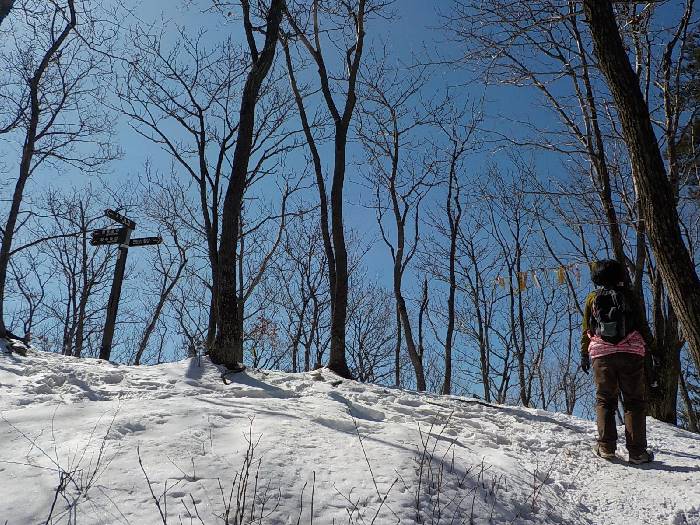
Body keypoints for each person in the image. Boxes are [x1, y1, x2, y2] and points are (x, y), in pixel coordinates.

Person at [580, 259, 654, 464]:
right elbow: (642, 325)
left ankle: (606, 447)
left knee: (605, 399)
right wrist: (653, 349)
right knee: (634, 402)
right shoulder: (630, 296)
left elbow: (586, 328)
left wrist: (584, 354)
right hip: (631, 352)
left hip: (601, 353)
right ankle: (638, 452)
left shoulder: (592, 298)